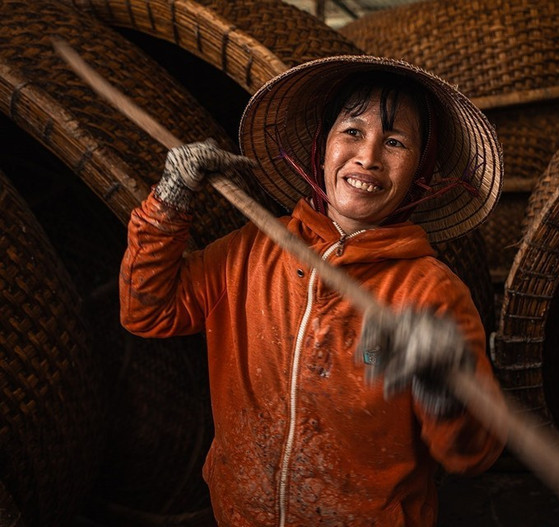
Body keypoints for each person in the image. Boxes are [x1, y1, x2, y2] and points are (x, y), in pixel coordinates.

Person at [119, 55, 505, 527]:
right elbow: (147, 310)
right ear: (322, 149)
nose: (368, 156)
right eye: (353, 131)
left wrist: (444, 386)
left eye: (396, 141)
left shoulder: (432, 293)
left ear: (420, 171)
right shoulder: (252, 250)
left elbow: (474, 455)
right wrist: (170, 199)